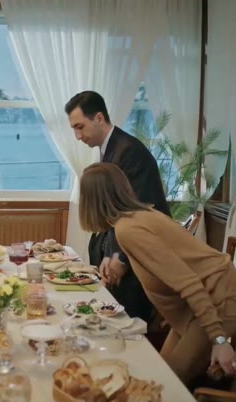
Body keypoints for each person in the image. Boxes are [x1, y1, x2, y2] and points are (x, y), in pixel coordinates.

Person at [78, 162, 236, 385]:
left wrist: (219, 340)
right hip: (200, 301)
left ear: (91, 201)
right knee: (161, 376)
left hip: (221, 295)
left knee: (168, 384)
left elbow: (188, 281)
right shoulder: (138, 216)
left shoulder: (128, 229)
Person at [65, 90, 170, 323]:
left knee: (125, 325)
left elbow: (137, 212)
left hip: (138, 261)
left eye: (80, 127)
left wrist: (119, 258)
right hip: (121, 250)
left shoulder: (129, 151)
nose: (77, 136)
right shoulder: (111, 148)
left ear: (99, 118)